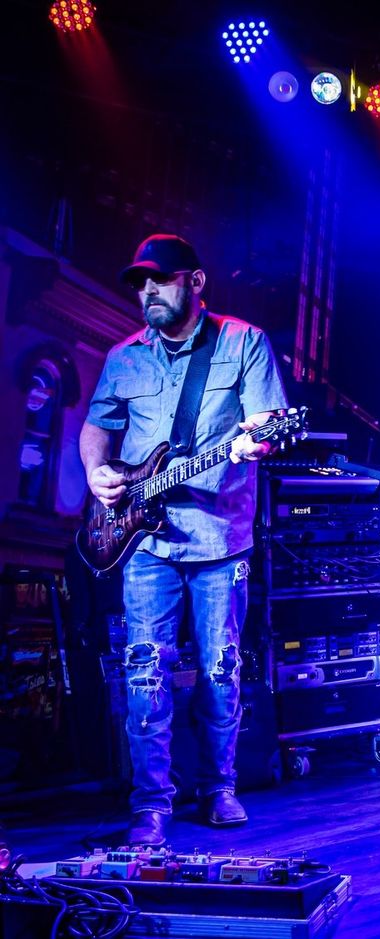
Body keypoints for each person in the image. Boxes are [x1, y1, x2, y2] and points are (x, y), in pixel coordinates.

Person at [80, 234, 288, 846]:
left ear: (195, 283)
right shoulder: (124, 357)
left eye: (160, 281)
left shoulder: (244, 343)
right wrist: (97, 473)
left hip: (220, 537)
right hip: (144, 542)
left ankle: (219, 787)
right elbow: (98, 429)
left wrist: (258, 441)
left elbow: (267, 423)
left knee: (221, 668)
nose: (147, 292)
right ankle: (150, 803)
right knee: (145, 669)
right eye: (140, 283)